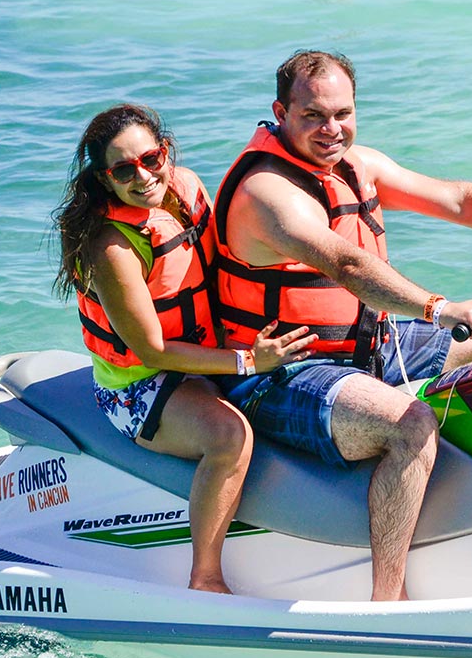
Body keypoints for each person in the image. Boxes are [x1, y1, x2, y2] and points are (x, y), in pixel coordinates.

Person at [212, 51, 472, 601]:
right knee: (412, 425)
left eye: (343, 113)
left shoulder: (359, 165)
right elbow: (348, 265)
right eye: (313, 116)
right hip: (280, 369)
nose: (332, 130)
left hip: (366, 347)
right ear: (280, 113)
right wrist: (436, 307)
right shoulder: (267, 194)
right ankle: (389, 600)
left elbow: (459, 201)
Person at [52, 104, 316, 595]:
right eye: (123, 170)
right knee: (229, 437)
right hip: (140, 386)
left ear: (165, 151)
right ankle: (206, 576)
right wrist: (245, 361)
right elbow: (151, 350)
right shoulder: (113, 247)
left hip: (207, 350)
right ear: (105, 180)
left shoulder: (187, 188)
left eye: (150, 159)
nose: (142, 176)